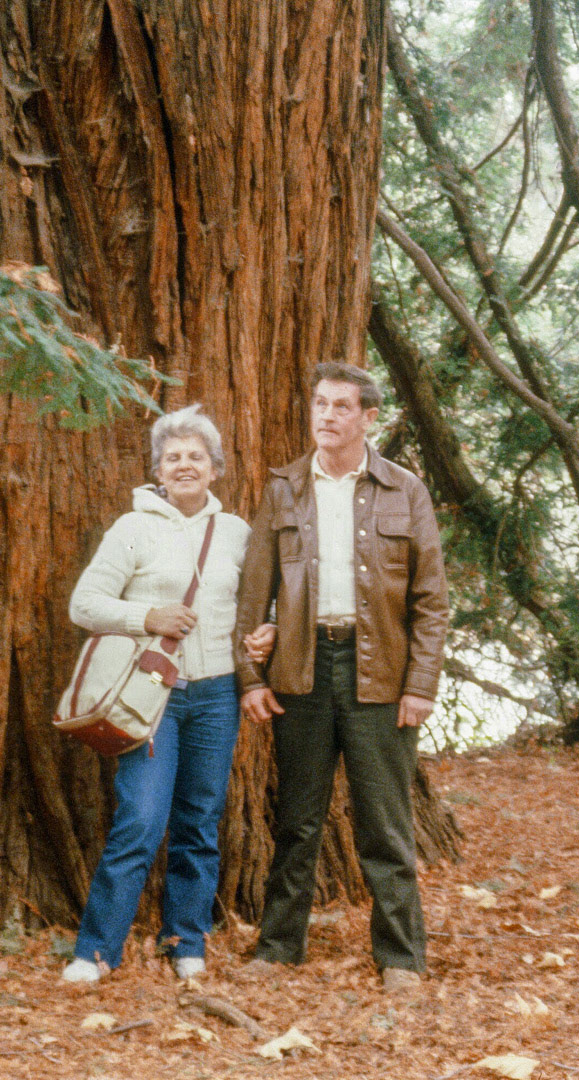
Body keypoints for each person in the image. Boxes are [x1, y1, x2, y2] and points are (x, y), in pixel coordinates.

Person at [233, 363, 449, 994]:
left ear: (368, 417)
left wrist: (421, 684)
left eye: (342, 407)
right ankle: (277, 948)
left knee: (385, 822)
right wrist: (251, 676)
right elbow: (255, 592)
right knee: (298, 818)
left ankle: (402, 958)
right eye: (320, 405)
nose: (327, 417)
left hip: (381, 675)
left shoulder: (404, 489)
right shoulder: (284, 489)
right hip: (301, 669)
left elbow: (431, 599)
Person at [61, 405, 273, 983]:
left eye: (195, 457)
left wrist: (267, 629)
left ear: (215, 467)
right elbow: (85, 604)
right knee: (141, 819)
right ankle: (97, 952)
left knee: (200, 822)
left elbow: (259, 602)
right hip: (151, 696)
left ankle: (186, 943)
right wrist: (147, 614)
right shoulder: (133, 529)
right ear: (157, 467)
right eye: (173, 456)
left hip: (217, 696)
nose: (185, 465)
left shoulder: (235, 533)